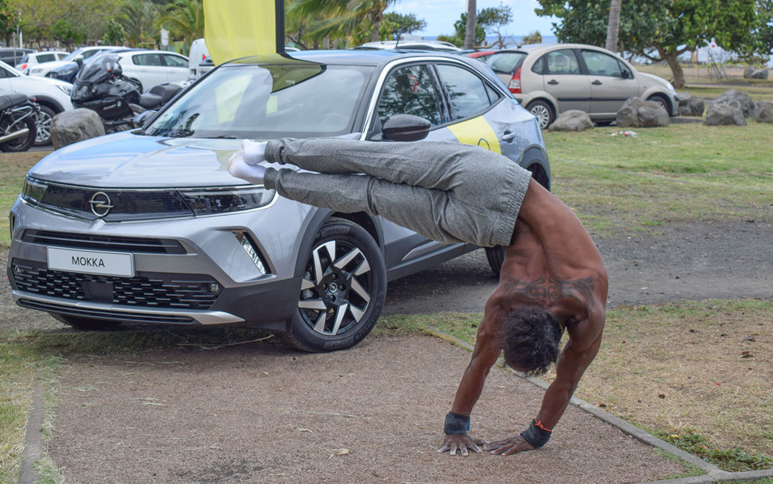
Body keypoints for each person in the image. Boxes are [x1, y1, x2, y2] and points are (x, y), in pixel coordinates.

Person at [229, 137, 608, 457]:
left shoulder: (566, 295)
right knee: (369, 194)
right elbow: (563, 382)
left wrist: (463, 425)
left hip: (496, 182)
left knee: (376, 159)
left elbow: (484, 362)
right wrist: (532, 436)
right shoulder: (538, 305)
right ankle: (263, 176)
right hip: (484, 223)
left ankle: (266, 150)